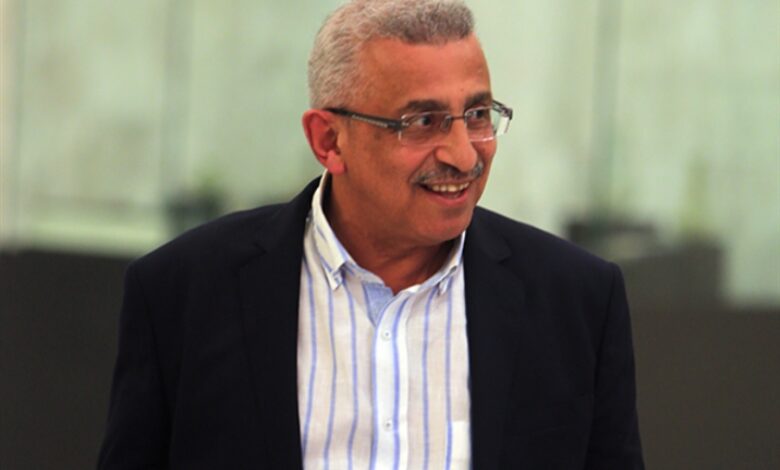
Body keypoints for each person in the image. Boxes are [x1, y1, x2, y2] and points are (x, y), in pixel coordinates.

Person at [98, 0, 644, 468]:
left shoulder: (577, 300)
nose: (463, 155)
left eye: (478, 114)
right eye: (422, 122)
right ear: (329, 140)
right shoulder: (182, 292)